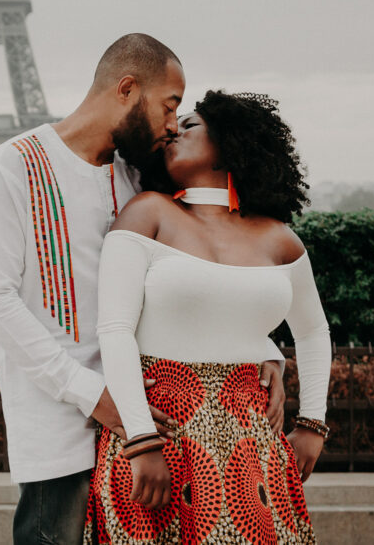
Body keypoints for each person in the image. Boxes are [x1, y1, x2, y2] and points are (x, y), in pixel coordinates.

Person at [0, 35, 288, 545]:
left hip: (155, 427)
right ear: (126, 87)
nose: (170, 125)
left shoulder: (139, 178)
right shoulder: (14, 166)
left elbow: (199, 272)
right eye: (169, 105)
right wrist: (93, 394)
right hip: (62, 433)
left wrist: (260, 346)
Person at [85, 90, 332, 544]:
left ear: (233, 140)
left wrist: (312, 424)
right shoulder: (147, 213)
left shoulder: (279, 238)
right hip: (159, 431)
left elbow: (313, 330)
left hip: (252, 447)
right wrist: (141, 441)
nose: (174, 129)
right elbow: (115, 328)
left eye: (191, 124)